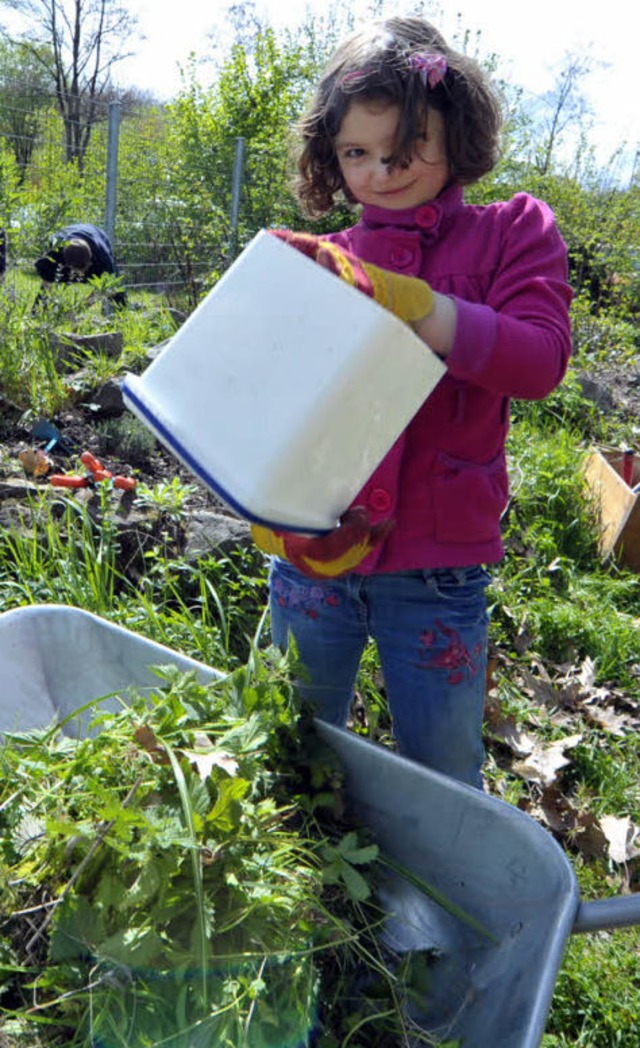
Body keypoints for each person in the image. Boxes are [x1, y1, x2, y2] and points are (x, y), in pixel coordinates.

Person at [252, 15, 573, 788]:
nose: (382, 171)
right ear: (329, 156)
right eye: (357, 153)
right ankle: (316, 884)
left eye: (407, 147)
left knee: (440, 768)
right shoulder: (325, 263)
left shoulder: (510, 235)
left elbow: (538, 360)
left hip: (437, 567)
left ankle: (439, 890)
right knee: (291, 745)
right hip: (313, 555)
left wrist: (414, 305)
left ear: (455, 133)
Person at [34, 222, 127, 307]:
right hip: (67, 236)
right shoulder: (55, 249)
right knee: (47, 284)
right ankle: (35, 316)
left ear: (90, 262)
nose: (78, 274)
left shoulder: (103, 258)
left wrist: (81, 308)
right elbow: (47, 281)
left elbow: (106, 288)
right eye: (74, 270)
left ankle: (122, 317)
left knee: (115, 290)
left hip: (97, 235)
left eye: (82, 270)